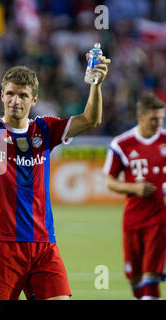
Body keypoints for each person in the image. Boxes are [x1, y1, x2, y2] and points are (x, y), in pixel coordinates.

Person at [0, 36, 110, 300]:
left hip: (44, 244)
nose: (15, 100)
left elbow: (91, 119)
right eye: (10, 94)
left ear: (33, 101)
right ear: (1, 96)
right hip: (2, 244)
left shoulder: (44, 129)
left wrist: (96, 85)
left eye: (22, 95)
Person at [103, 92, 165, 300]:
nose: (158, 123)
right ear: (140, 116)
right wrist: (134, 189)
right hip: (133, 219)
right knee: (134, 276)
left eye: (161, 119)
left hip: (159, 220)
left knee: (151, 275)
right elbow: (110, 181)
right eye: (153, 119)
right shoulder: (122, 144)